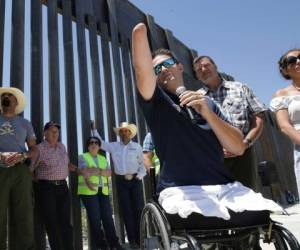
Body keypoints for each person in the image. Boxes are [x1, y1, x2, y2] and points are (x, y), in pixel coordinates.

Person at [131, 23, 282, 226]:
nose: (163, 70)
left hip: (223, 186)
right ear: (154, 76)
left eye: (167, 64)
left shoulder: (208, 102)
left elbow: (237, 147)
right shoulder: (156, 102)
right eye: (156, 68)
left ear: (180, 67)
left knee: (261, 217)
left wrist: (208, 114)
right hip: (181, 189)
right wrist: (140, 35)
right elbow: (141, 70)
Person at [193, 55, 267, 190]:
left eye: (206, 65)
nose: (203, 69)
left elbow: (258, 118)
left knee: (247, 198)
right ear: (197, 76)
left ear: (215, 67)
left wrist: (245, 143)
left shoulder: (241, 88)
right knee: (218, 202)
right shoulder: (197, 98)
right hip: (213, 158)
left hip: (243, 154)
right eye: (198, 69)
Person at [92, 121, 146, 249]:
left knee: (138, 209)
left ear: (130, 133)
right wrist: (94, 130)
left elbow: (142, 166)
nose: (124, 133)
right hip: (121, 182)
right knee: (126, 210)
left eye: (126, 131)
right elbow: (101, 143)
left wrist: (137, 177)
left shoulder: (137, 147)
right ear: (119, 133)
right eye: (122, 131)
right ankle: (133, 241)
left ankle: (140, 240)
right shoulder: (114, 146)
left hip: (135, 180)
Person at [0, 87, 36, 250]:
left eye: (9, 95)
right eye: (4, 95)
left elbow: (34, 149)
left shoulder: (25, 123)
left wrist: (24, 156)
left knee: (24, 213)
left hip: (20, 170)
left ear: (16, 102)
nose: (6, 97)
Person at [30, 121, 75, 250]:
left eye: (57, 131)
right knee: (52, 223)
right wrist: (39, 183)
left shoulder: (62, 146)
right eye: (52, 130)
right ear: (45, 133)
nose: (56, 133)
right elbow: (30, 169)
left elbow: (67, 164)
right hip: (47, 189)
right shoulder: (39, 149)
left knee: (66, 222)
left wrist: (79, 170)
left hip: (63, 187)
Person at [77, 136, 124, 250]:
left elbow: (109, 173)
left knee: (108, 217)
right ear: (88, 146)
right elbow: (84, 171)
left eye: (96, 143)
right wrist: (90, 179)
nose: (94, 144)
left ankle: (114, 245)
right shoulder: (82, 157)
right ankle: (101, 246)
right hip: (89, 192)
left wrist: (97, 170)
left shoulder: (103, 158)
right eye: (91, 142)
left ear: (98, 146)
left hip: (102, 191)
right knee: (95, 219)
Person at [270, 48, 300, 200]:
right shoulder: (282, 94)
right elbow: (285, 126)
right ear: (285, 70)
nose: (298, 62)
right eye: (292, 61)